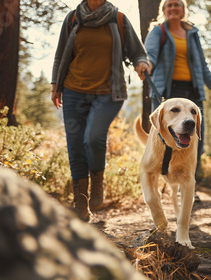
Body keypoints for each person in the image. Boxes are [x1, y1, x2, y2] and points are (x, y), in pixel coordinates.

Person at [51, 0, 149, 221]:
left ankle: (97, 183)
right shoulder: (73, 18)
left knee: (93, 137)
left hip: (108, 92)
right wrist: (55, 86)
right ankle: (81, 206)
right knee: (75, 147)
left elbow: (137, 52)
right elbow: (60, 54)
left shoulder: (119, 19)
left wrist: (141, 63)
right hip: (73, 90)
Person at [144, 0, 211, 193]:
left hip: (192, 92)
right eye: (169, 5)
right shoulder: (158, 32)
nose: (173, 8)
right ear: (163, 10)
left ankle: (188, 185)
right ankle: (162, 182)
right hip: (166, 92)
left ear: (183, 10)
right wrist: (146, 65)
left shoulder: (192, 34)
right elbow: (150, 55)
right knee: (163, 140)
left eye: (177, 5)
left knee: (195, 138)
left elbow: (202, 65)